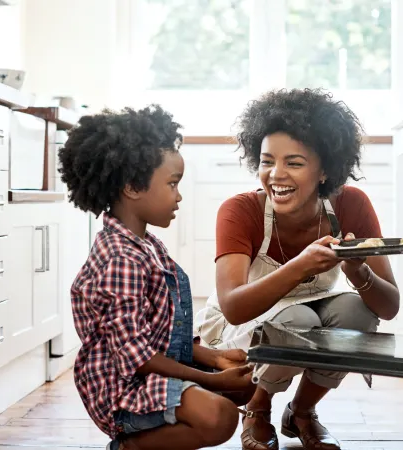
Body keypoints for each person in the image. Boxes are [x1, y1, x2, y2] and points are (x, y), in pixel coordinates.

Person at [194, 88, 401, 450]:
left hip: (316, 309)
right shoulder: (240, 210)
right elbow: (233, 305)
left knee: (357, 312)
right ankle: (258, 409)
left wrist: (358, 273)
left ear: (324, 171)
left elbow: (389, 307)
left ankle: (302, 411)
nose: (276, 174)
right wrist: (299, 265)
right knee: (298, 321)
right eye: (266, 161)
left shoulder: (351, 204)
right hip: (245, 322)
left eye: (294, 162)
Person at [59, 105, 257, 450]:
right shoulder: (120, 259)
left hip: (151, 373)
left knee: (247, 385)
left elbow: (162, 332)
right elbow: (137, 358)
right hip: (123, 390)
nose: (178, 195)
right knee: (219, 418)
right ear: (133, 187)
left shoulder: (146, 244)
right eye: (172, 183)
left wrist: (216, 359)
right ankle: (130, 446)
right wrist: (208, 376)